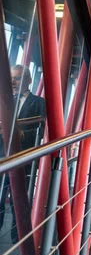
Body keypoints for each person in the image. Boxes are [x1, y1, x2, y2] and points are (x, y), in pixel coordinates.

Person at [0, 65, 46, 242]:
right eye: (11, 78)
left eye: (17, 78)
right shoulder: (4, 101)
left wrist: (19, 133)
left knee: (18, 203)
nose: (12, 81)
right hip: (2, 156)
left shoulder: (39, 103)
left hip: (24, 159)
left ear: (28, 80)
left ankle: (17, 241)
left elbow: (42, 130)